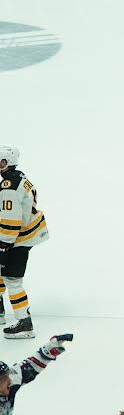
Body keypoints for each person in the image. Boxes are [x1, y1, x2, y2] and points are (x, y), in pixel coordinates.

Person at [0, 145, 50, 339]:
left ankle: (24, 323)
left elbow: (10, 217)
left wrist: (4, 242)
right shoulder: (20, 177)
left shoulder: (8, 186)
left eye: (1, 162)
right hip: (22, 235)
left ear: (7, 162)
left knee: (13, 280)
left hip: (16, 239)